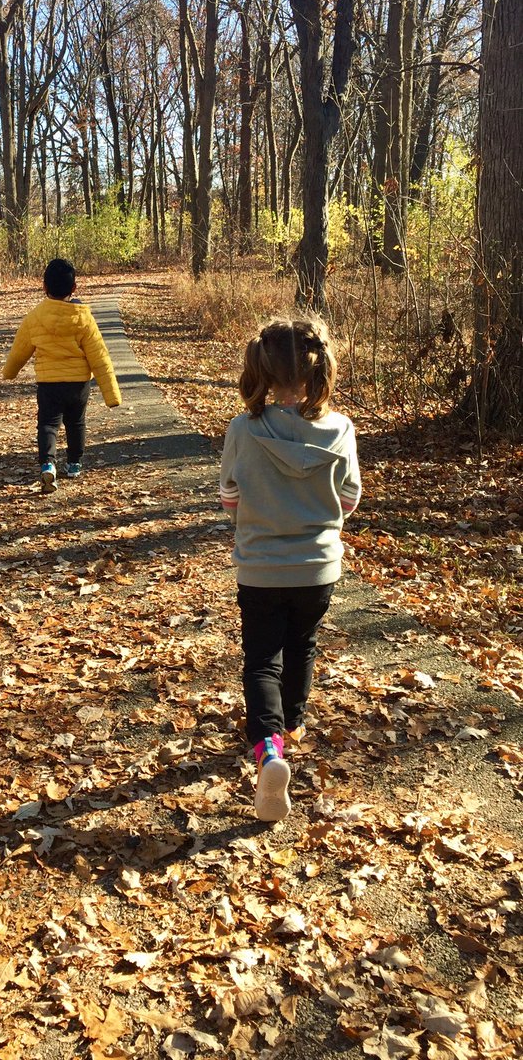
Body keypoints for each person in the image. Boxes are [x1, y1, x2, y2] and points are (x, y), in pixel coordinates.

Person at [220, 318, 361, 822]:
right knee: (302, 645)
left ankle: (269, 748)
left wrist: (256, 517)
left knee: (261, 659)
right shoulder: (340, 429)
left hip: (260, 566)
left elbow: (230, 498)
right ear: (319, 368)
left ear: (260, 367)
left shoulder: (244, 429)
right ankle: (293, 724)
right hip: (318, 567)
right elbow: (348, 500)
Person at [3, 258, 121, 492]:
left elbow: (20, 350)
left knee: (47, 424)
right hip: (78, 385)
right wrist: (111, 394)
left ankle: (48, 464)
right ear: (74, 288)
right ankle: (74, 463)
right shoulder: (83, 317)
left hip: (49, 384)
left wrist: (10, 372)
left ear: (44, 287)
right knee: (76, 423)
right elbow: (100, 357)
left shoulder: (35, 317)